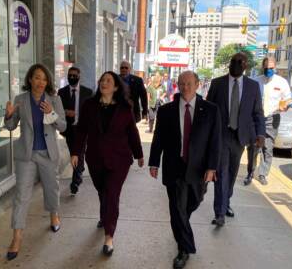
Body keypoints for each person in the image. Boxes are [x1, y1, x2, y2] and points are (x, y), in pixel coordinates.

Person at [149, 71, 222, 269]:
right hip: (175, 167)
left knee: (191, 204)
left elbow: (215, 142)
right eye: (181, 83)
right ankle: (184, 249)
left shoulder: (211, 110)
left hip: (199, 169)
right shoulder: (166, 111)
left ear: (197, 84)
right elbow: (158, 140)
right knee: (177, 209)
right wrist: (154, 162)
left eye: (189, 83)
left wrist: (212, 167)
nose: (185, 87)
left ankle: (182, 228)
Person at [71, 71, 144, 256]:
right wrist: (75, 152)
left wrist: (139, 154)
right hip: (95, 158)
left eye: (108, 81)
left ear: (116, 86)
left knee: (112, 194)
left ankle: (109, 236)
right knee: (102, 191)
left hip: (119, 160)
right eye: (102, 80)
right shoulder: (89, 105)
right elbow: (81, 131)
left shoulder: (125, 107)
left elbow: (132, 133)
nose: (104, 83)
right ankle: (105, 216)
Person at [4, 63, 66, 260]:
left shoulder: (54, 100)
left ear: (47, 82)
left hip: (48, 153)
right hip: (27, 155)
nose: (40, 82)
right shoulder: (20, 100)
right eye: (37, 77)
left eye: (44, 78)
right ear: (30, 79)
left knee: (51, 188)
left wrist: (51, 113)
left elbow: (63, 126)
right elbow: (11, 126)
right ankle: (17, 236)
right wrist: (8, 115)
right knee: (21, 195)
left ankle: (54, 213)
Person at [206, 52, 265, 227]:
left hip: (240, 138)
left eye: (239, 62)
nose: (235, 64)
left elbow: (257, 113)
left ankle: (226, 202)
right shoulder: (218, 83)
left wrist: (260, 134)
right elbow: (209, 109)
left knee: (231, 174)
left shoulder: (253, 87)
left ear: (245, 65)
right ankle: (220, 213)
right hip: (221, 136)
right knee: (221, 173)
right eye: (233, 61)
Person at [245, 56, 292, 186]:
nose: (268, 70)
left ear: (275, 67)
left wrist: (286, 106)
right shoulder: (255, 82)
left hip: (273, 117)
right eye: (266, 68)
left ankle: (263, 174)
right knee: (253, 147)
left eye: (271, 68)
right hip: (256, 118)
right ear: (262, 67)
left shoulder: (282, 82)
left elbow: (288, 100)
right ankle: (250, 172)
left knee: (267, 147)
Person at [58, 67, 93, 195]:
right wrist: (66, 112)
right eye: (70, 75)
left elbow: (93, 111)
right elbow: (57, 110)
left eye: (74, 75)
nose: (72, 77)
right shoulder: (61, 92)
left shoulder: (87, 92)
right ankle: (80, 169)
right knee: (74, 152)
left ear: (79, 76)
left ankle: (75, 181)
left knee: (80, 152)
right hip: (69, 129)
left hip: (82, 128)